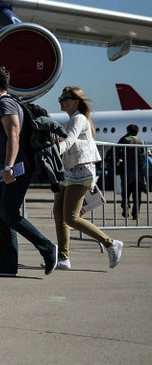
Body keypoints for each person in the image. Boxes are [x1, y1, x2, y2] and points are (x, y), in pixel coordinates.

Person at [0, 66, 58, 277]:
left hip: (15, 169)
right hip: (7, 169)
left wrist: (8, 166)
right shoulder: (1, 105)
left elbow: (14, 135)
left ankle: (48, 248)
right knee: (3, 217)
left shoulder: (6, 103)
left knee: (9, 215)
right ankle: (7, 265)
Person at [52, 86, 123, 269]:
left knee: (71, 218)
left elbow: (69, 140)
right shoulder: (73, 118)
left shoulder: (79, 118)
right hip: (67, 172)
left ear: (76, 101)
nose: (61, 101)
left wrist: (55, 152)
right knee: (59, 215)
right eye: (60, 98)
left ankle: (110, 243)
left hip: (80, 173)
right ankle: (63, 258)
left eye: (65, 98)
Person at [115, 124, 147, 220]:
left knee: (126, 191)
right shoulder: (141, 142)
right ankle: (135, 214)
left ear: (128, 131)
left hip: (126, 171)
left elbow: (116, 150)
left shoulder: (124, 140)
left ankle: (125, 205)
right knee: (137, 194)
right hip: (138, 172)